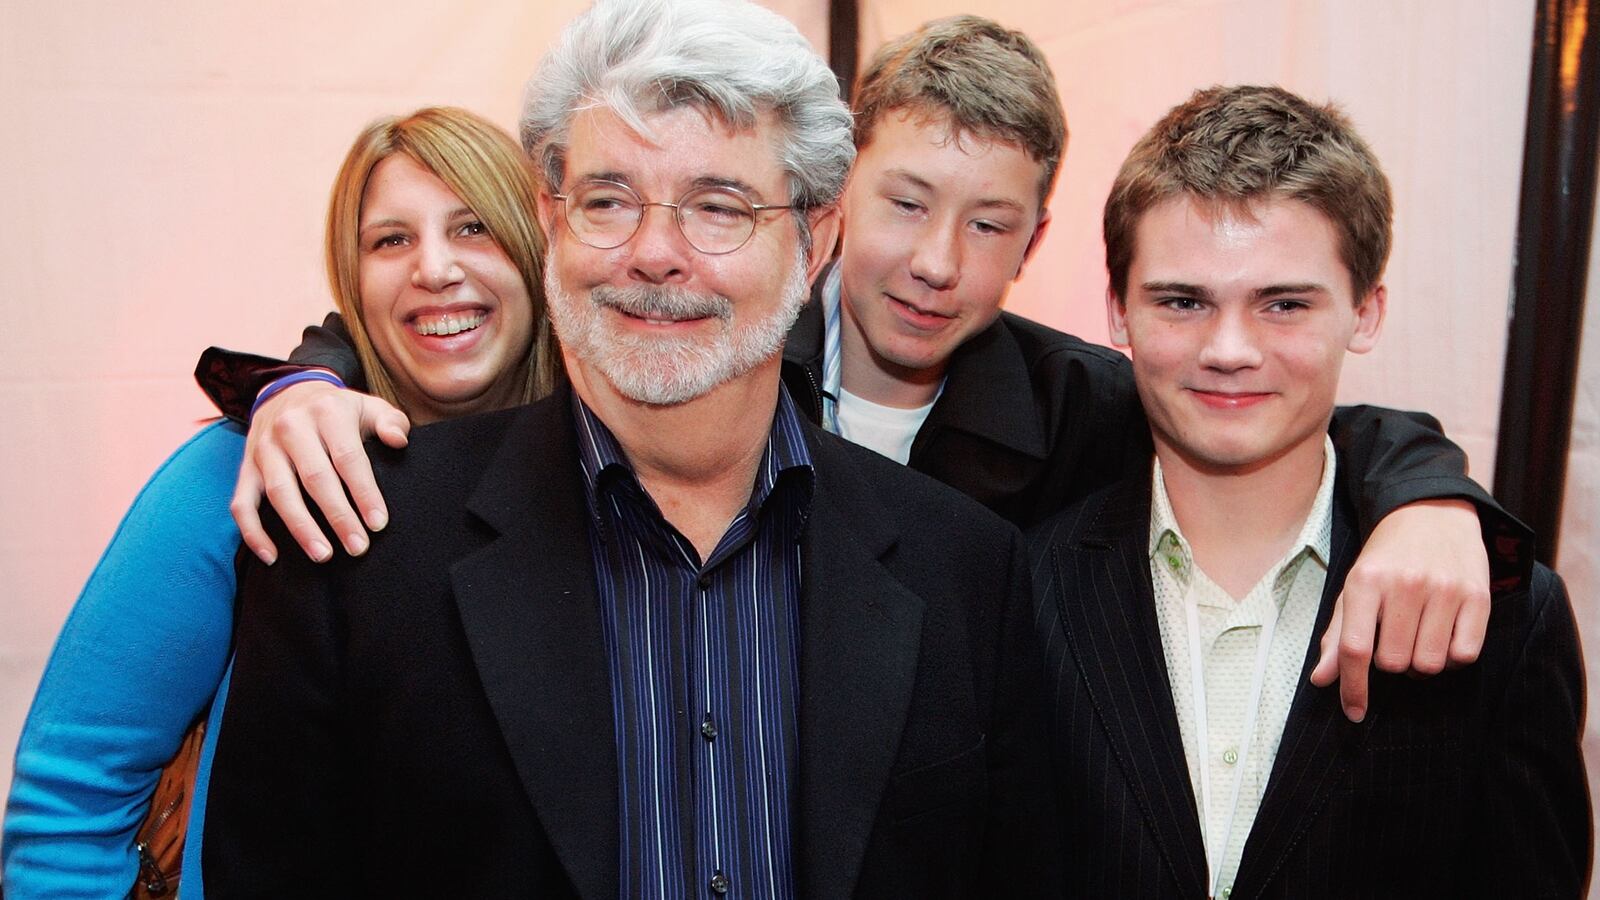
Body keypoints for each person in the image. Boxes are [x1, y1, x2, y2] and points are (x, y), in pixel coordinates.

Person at [201, 15, 1529, 727]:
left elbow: (1254, 399)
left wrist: (1426, 494)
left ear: (1041, 245)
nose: (937, 263)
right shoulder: (696, 335)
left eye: (991, 223)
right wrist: (299, 387)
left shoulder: (1085, 406)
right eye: (906, 203)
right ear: (834, 214)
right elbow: (463, 332)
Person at [202, 0, 1055, 894]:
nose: (654, 253)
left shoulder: (965, 570)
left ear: (815, 241)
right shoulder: (357, 549)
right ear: (550, 219)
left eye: (718, 207)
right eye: (608, 200)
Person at [1029, 84, 1588, 898]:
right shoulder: (1022, 587)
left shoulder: (1502, 618)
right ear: (1117, 313)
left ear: (1365, 313)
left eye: (1283, 304)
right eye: (1182, 301)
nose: (1228, 349)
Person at [0, 105, 558, 897]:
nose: (434, 268)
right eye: (390, 240)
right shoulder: (237, 473)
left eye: (473, 228)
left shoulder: (602, 472)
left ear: (540, 251)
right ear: (352, 278)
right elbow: (71, 791)